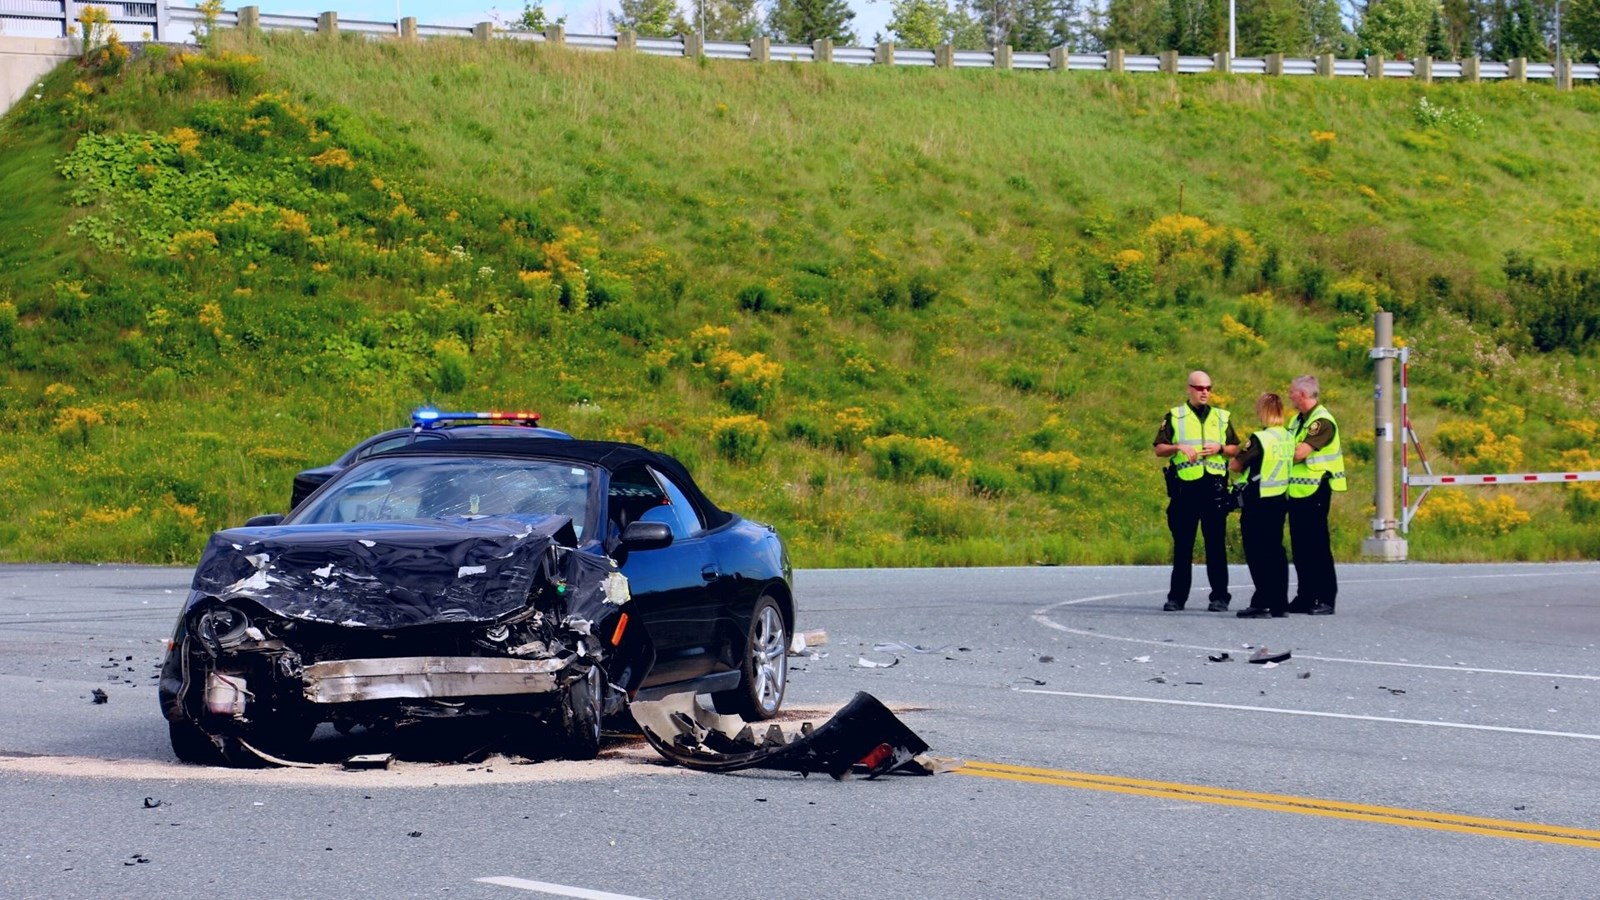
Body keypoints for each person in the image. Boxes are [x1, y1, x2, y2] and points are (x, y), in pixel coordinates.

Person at [1153, 371, 1239, 612]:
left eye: (1208, 388)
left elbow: (1235, 448)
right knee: (1183, 545)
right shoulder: (1175, 416)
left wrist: (1220, 448)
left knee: (1216, 546)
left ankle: (1220, 597)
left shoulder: (1221, 417)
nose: (1204, 392)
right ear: (1189, 389)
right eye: (1200, 388)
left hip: (1213, 488)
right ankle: (1177, 598)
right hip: (1185, 489)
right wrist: (1178, 446)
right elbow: (1159, 449)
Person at [1285, 374, 1346, 615]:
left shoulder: (1321, 422)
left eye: (1292, 392)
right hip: (1297, 490)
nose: (1289, 396)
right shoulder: (1296, 420)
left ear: (1302, 394)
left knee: (1318, 545)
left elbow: (1300, 453)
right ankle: (1305, 596)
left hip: (1316, 489)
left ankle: (1325, 597)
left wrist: (1277, 451)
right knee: (1300, 547)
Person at [1230, 393, 1293, 618]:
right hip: (1280, 498)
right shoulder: (1288, 437)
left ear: (1264, 411)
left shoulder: (1260, 439)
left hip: (1259, 500)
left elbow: (1236, 465)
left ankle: (1262, 602)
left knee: (1257, 552)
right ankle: (1280, 604)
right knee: (1276, 551)